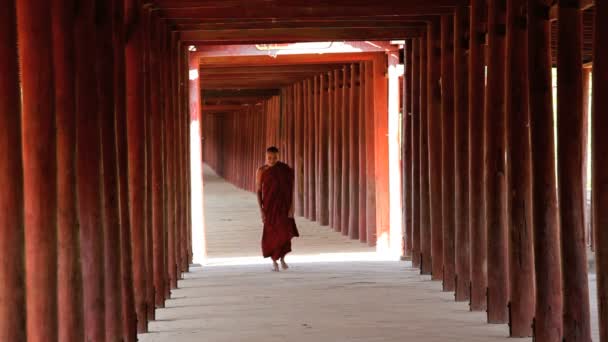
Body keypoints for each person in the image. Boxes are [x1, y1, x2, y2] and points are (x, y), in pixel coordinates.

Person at [256, 146, 299, 272]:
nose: (272, 160)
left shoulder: (285, 169)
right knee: (271, 234)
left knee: (284, 232)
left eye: (275, 157)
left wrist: (292, 208)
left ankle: (282, 258)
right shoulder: (261, 171)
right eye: (269, 157)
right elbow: (258, 191)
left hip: (284, 206)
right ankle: (274, 260)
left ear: (278, 156)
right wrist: (261, 210)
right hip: (269, 207)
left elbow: (291, 189)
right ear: (266, 157)